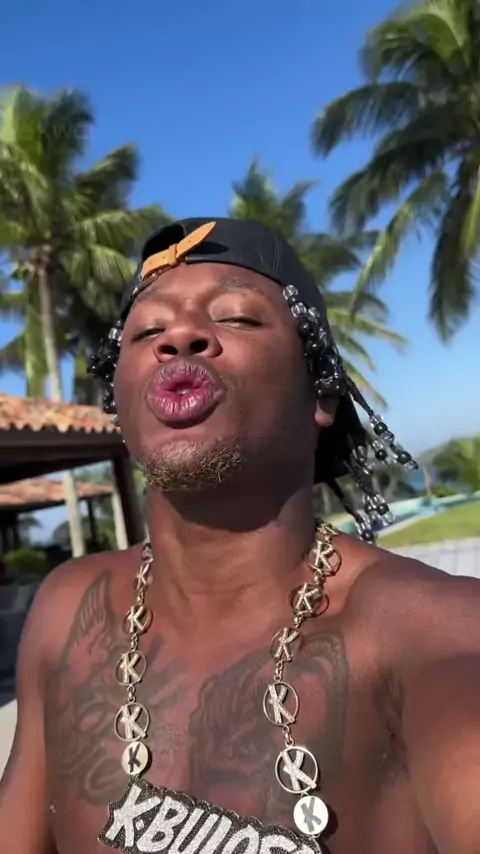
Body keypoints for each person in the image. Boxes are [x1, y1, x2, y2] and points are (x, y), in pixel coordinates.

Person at [1, 218, 479, 854]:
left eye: (237, 318)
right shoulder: (67, 611)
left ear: (321, 393)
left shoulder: (432, 631)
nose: (179, 336)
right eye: (147, 331)